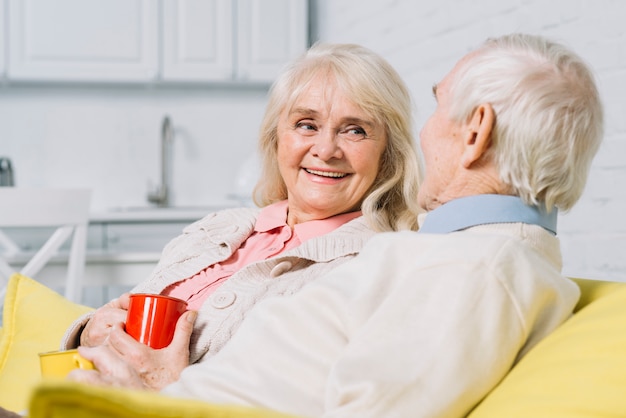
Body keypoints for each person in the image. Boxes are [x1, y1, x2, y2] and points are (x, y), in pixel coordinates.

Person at [71, 33, 603, 417]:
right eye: (305, 124)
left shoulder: (483, 270)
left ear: (475, 133)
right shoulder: (455, 253)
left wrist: (156, 400)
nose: (425, 132)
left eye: (438, 107)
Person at [61, 42, 422, 390]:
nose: (326, 150)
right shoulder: (216, 226)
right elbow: (127, 312)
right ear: (276, 138)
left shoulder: (375, 264)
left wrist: (170, 394)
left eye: (355, 130)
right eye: (306, 124)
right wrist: (89, 329)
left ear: (388, 154)